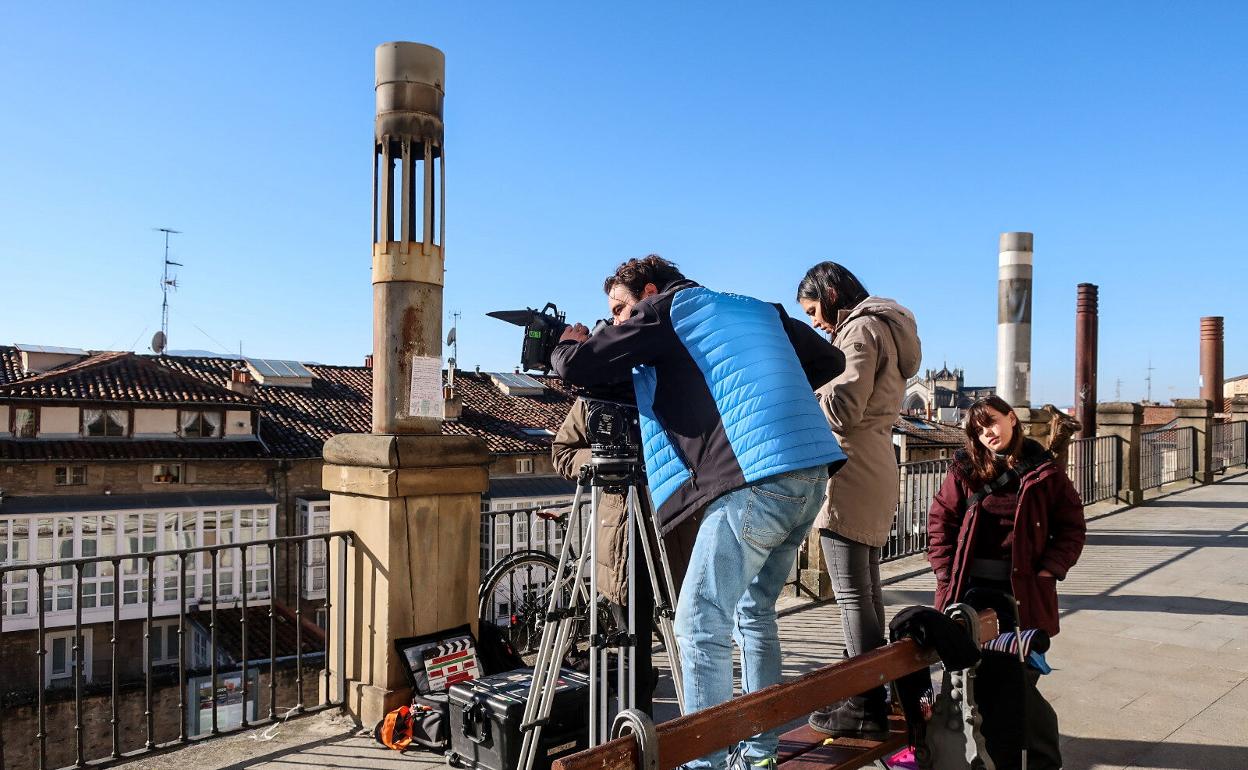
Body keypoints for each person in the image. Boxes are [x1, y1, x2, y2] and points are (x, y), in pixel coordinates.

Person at [552, 255, 847, 770]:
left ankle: (703, 763)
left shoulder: (666, 309)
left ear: (648, 290)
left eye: (621, 309)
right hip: (812, 471)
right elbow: (830, 362)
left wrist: (570, 339)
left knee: (698, 622)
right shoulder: (756, 310)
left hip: (755, 478)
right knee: (754, 613)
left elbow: (578, 366)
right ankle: (759, 755)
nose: (619, 321)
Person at [795, 262, 921, 738]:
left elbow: (844, 410)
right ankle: (872, 691)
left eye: (813, 311)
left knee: (853, 595)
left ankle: (863, 704)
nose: (815, 323)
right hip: (877, 464)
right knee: (866, 591)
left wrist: (802, 389)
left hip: (849, 467)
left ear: (830, 294)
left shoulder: (858, 330)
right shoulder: (887, 328)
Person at [926, 395, 1085, 770]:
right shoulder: (964, 469)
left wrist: (1049, 569)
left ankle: (1038, 758)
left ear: (1012, 418)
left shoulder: (1045, 471)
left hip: (1022, 597)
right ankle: (1003, 758)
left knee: (1020, 683)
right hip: (968, 594)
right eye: (979, 430)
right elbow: (940, 523)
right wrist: (947, 575)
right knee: (976, 684)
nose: (987, 434)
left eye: (993, 423)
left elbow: (1072, 527)